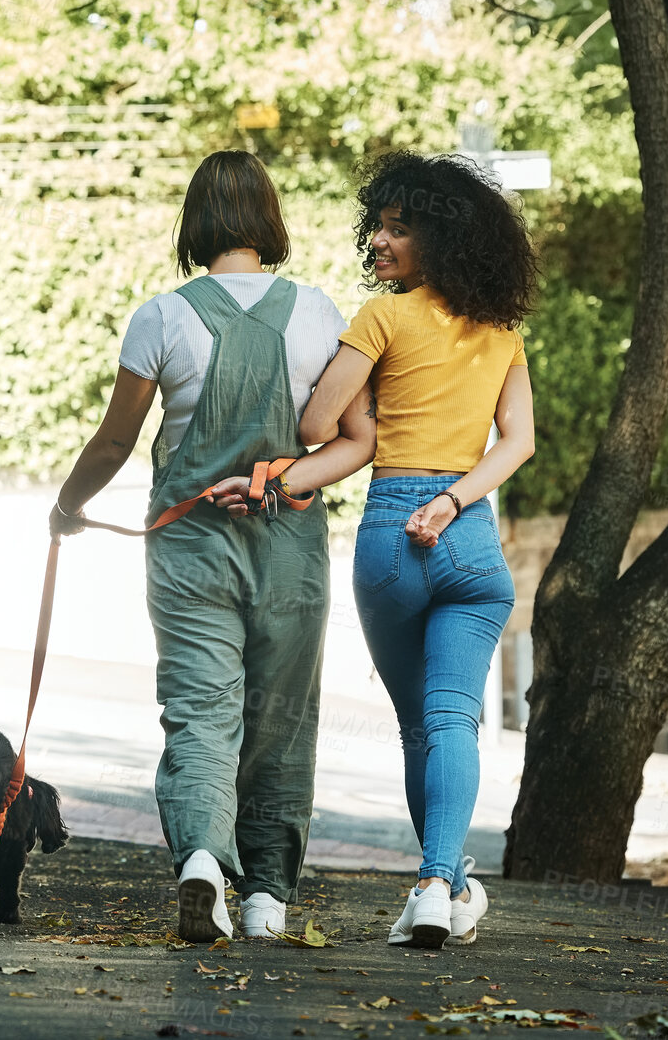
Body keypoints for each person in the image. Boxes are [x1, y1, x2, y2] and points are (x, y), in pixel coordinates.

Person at [53, 150, 376, 941]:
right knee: (281, 718)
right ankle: (266, 895)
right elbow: (357, 437)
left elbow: (114, 441)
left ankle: (201, 859)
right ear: (269, 220)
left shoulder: (160, 317)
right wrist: (286, 476)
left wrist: (67, 506)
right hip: (290, 547)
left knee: (199, 712)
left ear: (192, 223)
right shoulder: (320, 314)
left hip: (189, 550)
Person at [298, 151, 537, 949]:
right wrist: (455, 498)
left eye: (397, 231)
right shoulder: (502, 330)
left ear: (439, 239)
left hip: (393, 534)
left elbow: (317, 426)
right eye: (377, 228)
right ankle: (444, 884)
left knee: (419, 730)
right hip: (467, 535)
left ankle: (439, 884)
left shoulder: (380, 319)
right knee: (450, 724)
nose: (378, 244)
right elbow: (518, 444)